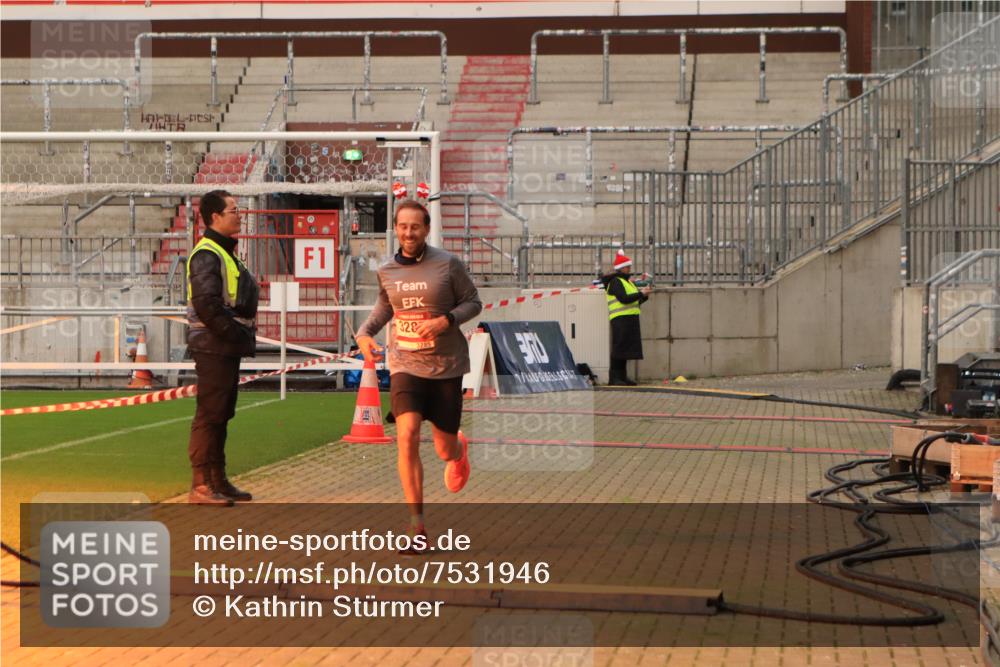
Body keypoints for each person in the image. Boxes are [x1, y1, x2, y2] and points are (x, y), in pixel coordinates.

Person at [355, 199, 482, 548]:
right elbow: (385, 306)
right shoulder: (387, 270)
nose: (408, 233)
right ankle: (417, 526)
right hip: (405, 364)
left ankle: (459, 449)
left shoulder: (448, 265)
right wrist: (364, 333)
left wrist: (446, 320)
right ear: (395, 229)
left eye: (415, 227)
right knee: (407, 432)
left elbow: (473, 301)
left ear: (426, 229)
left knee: (444, 449)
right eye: (402, 226)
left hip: (446, 366)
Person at [185, 189, 260, 506]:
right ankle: (202, 485)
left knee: (221, 413)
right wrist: (233, 333)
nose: (239, 213)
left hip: (223, 345)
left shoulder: (222, 252)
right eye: (233, 209)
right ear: (215, 217)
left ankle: (217, 480)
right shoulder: (207, 255)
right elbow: (207, 304)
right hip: (214, 345)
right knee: (210, 414)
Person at [600, 249, 651, 386]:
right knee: (619, 347)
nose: (630, 269)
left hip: (629, 318)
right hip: (620, 318)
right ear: (621, 268)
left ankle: (622, 377)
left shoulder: (627, 282)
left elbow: (634, 301)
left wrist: (644, 296)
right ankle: (615, 377)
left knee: (625, 349)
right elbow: (624, 299)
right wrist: (640, 294)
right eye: (628, 267)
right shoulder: (616, 282)